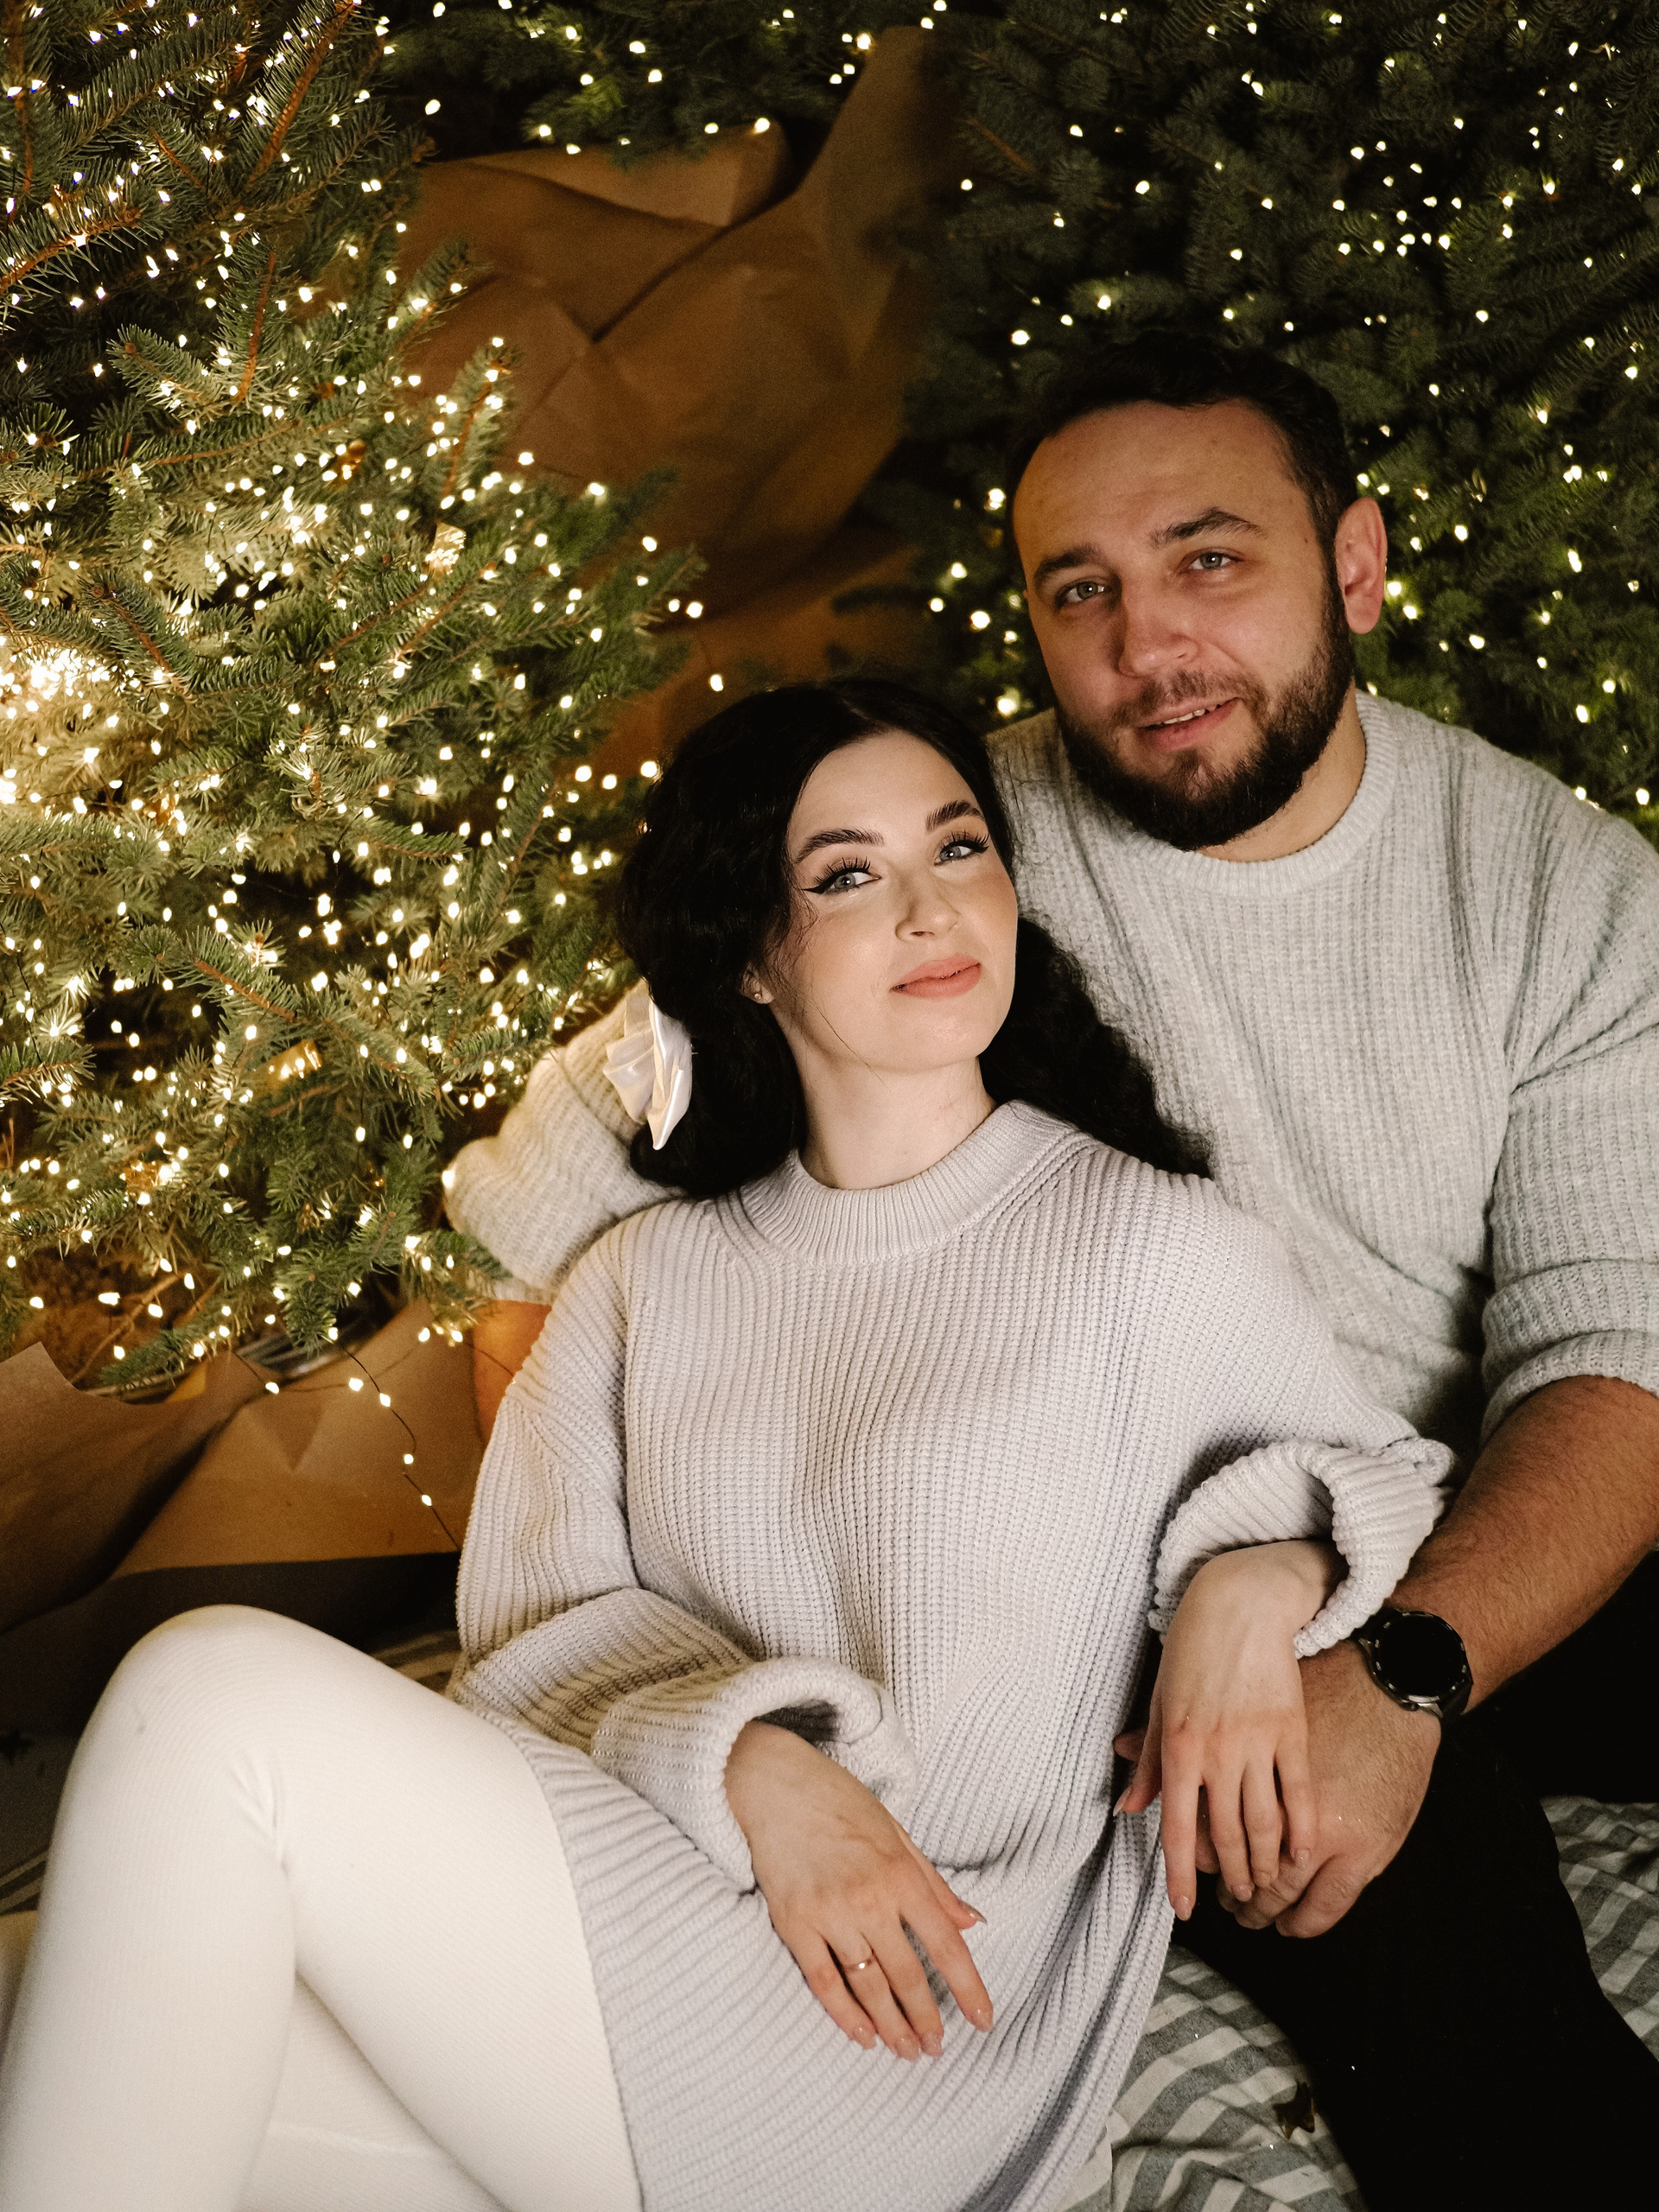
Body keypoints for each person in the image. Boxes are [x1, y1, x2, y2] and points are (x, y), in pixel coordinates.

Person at [451, 337, 1659, 2205]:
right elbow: (543, 1237)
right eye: (1077, 590)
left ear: (1354, 565)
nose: (1146, 646)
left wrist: (1389, 1661)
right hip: (1069, 1619)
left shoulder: (1560, 890)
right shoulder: (939, 849)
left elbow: (1615, 1361)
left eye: (1209, 560)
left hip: (1412, 1537)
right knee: (1460, 1990)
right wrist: (705, 1657)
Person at [0, 682, 1453, 2212]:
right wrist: (749, 1760)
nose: (930, 907)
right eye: (848, 873)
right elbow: (532, 1642)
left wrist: (1252, 1581)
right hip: (653, 1897)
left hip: (891, 2026)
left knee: (209, 1695)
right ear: (752, 956)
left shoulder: (1152, 1246)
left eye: (959, 847)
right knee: (55, 1996)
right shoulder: (645, 1279)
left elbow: (1385, 1482)